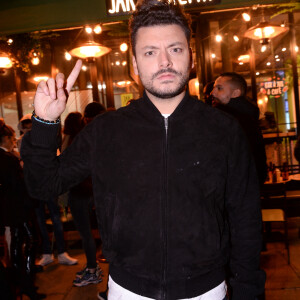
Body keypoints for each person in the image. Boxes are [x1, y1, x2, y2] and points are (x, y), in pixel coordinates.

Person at [21, 1, 265, 299]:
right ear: (135, 65)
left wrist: (248, 290)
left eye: (175, 49)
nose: (164, 62)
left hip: (206, 289)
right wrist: (45, 123)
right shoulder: (105, 130)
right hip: (128, 289)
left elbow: (246, 217)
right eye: (150, 52)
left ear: (190, 56)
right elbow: (43, 185)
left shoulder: (224, 130)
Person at [0, 121, 45, 299]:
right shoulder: (10, 160)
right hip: (20, 207)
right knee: (31, 240)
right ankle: (27, 279)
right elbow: (19, 186)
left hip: (9, 208)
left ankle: (20, 279)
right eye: (11, 138)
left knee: (18, 241)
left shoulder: (7, 158)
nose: (13, 141)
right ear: (5, 139)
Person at [61, 111, 103, 287]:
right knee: (93, 233)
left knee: (86, 235)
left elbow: (66, 170)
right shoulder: (87, 139)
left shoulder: (70, 142)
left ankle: (92, 270)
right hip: (92, 191)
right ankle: (93, 267)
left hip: (79, 192)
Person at [212, 72, 267, 187]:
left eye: (219, 88)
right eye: (214, 88)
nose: (213, 93)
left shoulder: (227, 120)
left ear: (236, 93)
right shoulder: (248, 117)